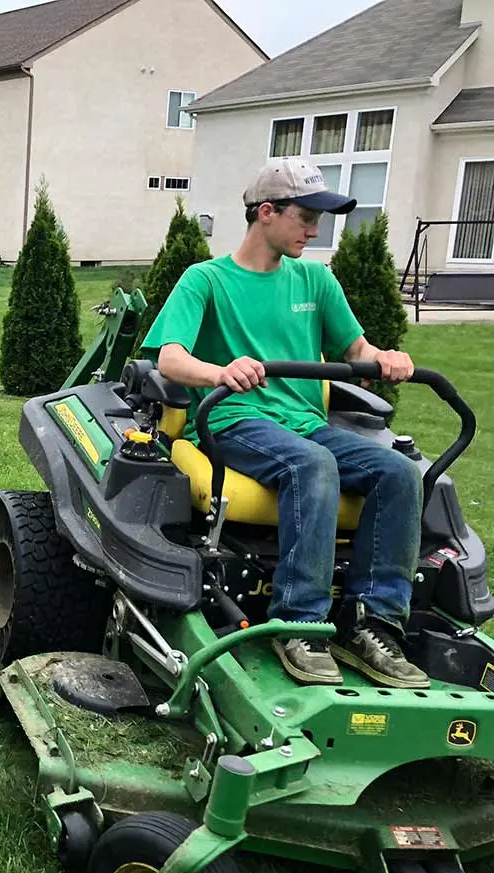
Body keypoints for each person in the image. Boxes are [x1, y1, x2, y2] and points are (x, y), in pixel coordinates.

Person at [141, 156, 427, 689]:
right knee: (312, 465)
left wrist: (384, 356)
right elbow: (170, 358)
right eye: (306, 216)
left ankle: (375, 625)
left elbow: (356, 347)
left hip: (304, 422)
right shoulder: (205, 280)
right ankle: (299, 622)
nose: (315, 230)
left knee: (399, 472)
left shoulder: (316, 280)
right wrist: (221, 370)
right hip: (234, 419)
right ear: (266, 212)